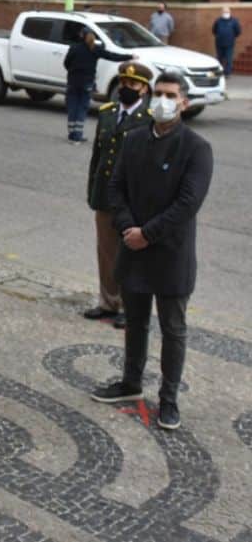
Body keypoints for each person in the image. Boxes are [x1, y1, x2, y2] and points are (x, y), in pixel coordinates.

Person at [91, 71, 213, 431]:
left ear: (184, 102)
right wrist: (130, 229)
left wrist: (148, 233)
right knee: (136, 322)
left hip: (171, 253)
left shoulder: (196, 147)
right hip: (134, 247)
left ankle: (169, 398)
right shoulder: (133, 140)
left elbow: (188, 202)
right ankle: (130, 383)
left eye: (170, 95)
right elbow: (115, 188)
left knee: (173, 328)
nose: (162, 100)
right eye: (158, 93)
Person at [84, 61, 154, 330]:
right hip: (104, 195)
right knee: (106, 251)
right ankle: (108, 302)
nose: (126, 88)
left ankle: (129, 307)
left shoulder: (148, 119)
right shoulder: (107, 112)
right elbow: (98, 157)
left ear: (144, 89)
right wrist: (92, 190)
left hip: (131, 200)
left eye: (133, 84)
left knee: (131, 255)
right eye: (123, 83)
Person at [63, 29, 133, 143]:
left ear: (81, 36)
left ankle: (72, 134)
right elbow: (111, 56)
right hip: (87, 83)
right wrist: (129, 56)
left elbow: (66, 63)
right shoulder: (94, 49)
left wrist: (72, 71)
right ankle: (77, 135)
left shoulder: (74, 48)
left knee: (72, 107)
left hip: (73, 82)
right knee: (82, 108)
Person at [212, 7, 241, 76]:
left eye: (227, 12)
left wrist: (232, 37)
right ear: (221, 13)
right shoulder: (218, 21)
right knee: (219, 58)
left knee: (228, 58)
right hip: (219, 43)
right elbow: (214, 30)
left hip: (229, 43)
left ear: (230, 12)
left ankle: (227, 73)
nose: (225, 13)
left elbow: (238, 31)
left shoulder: (234, 21)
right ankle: (219, 72)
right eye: (224, 12)